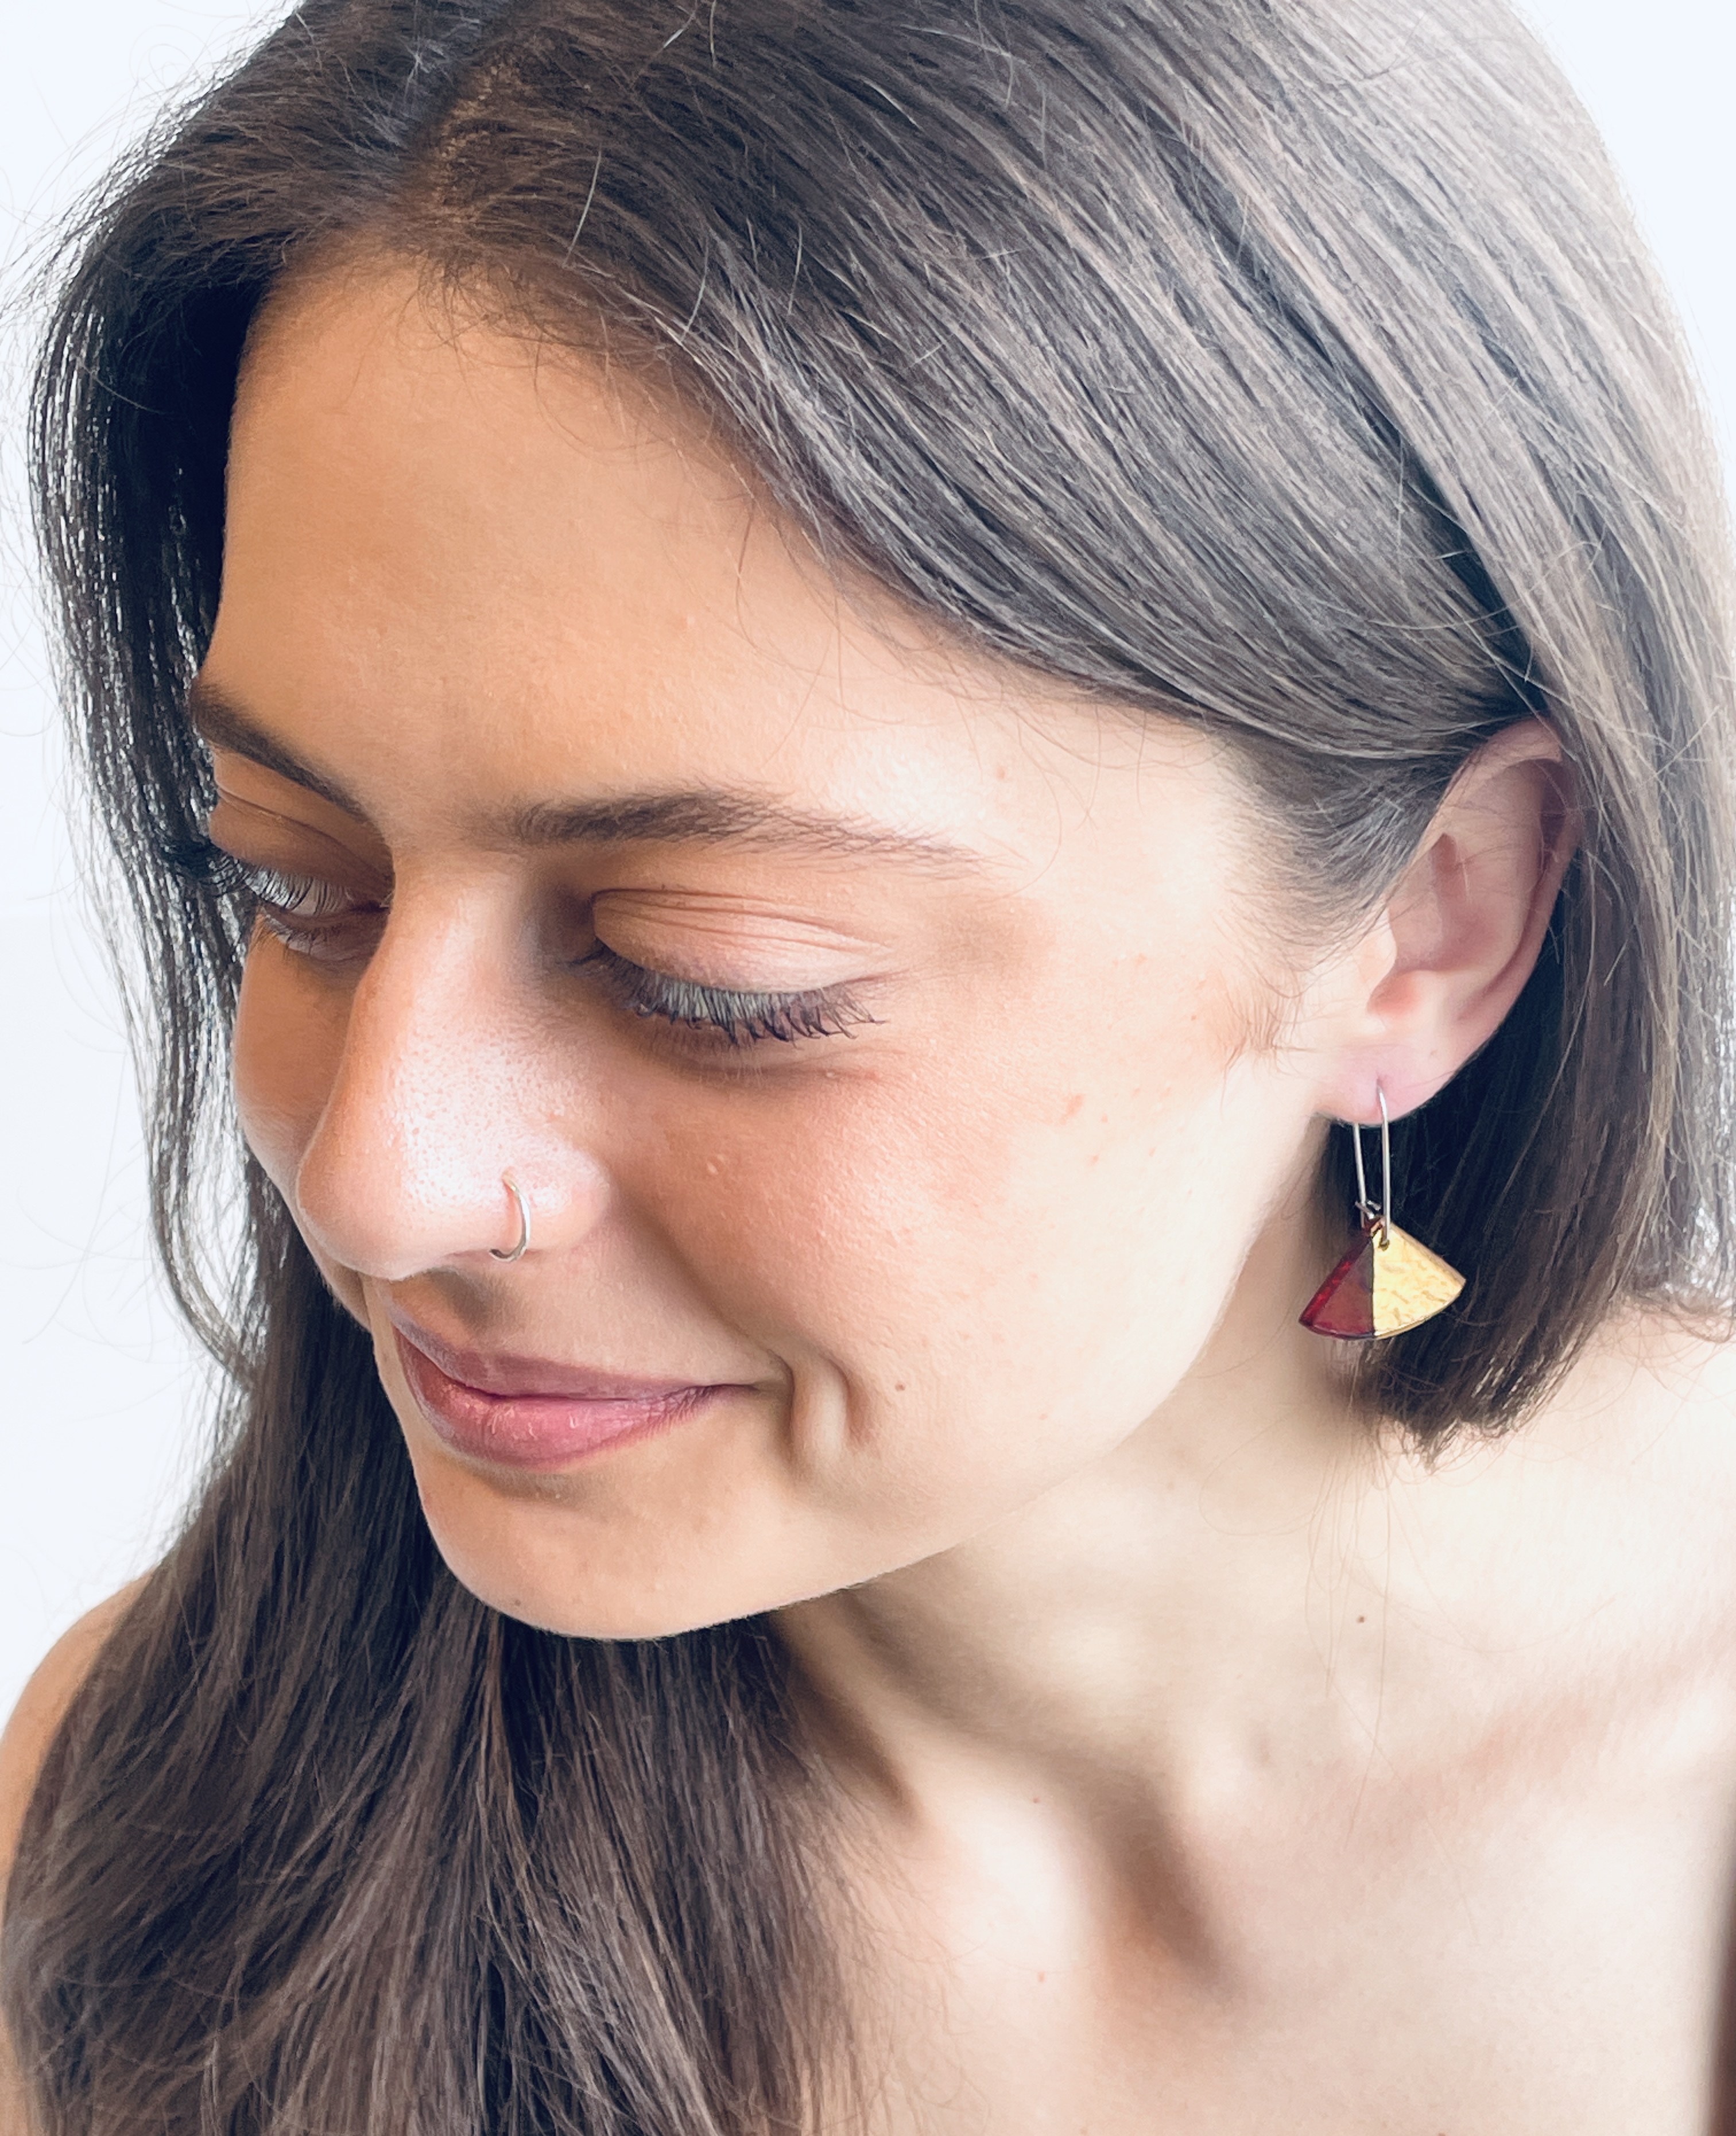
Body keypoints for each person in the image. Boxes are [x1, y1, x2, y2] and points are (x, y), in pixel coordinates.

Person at [5, 0, 1736, 2127]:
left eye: (707, 976)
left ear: (1432, 922)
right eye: (295, 883)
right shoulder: (149, 1858)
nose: (373, 1174)